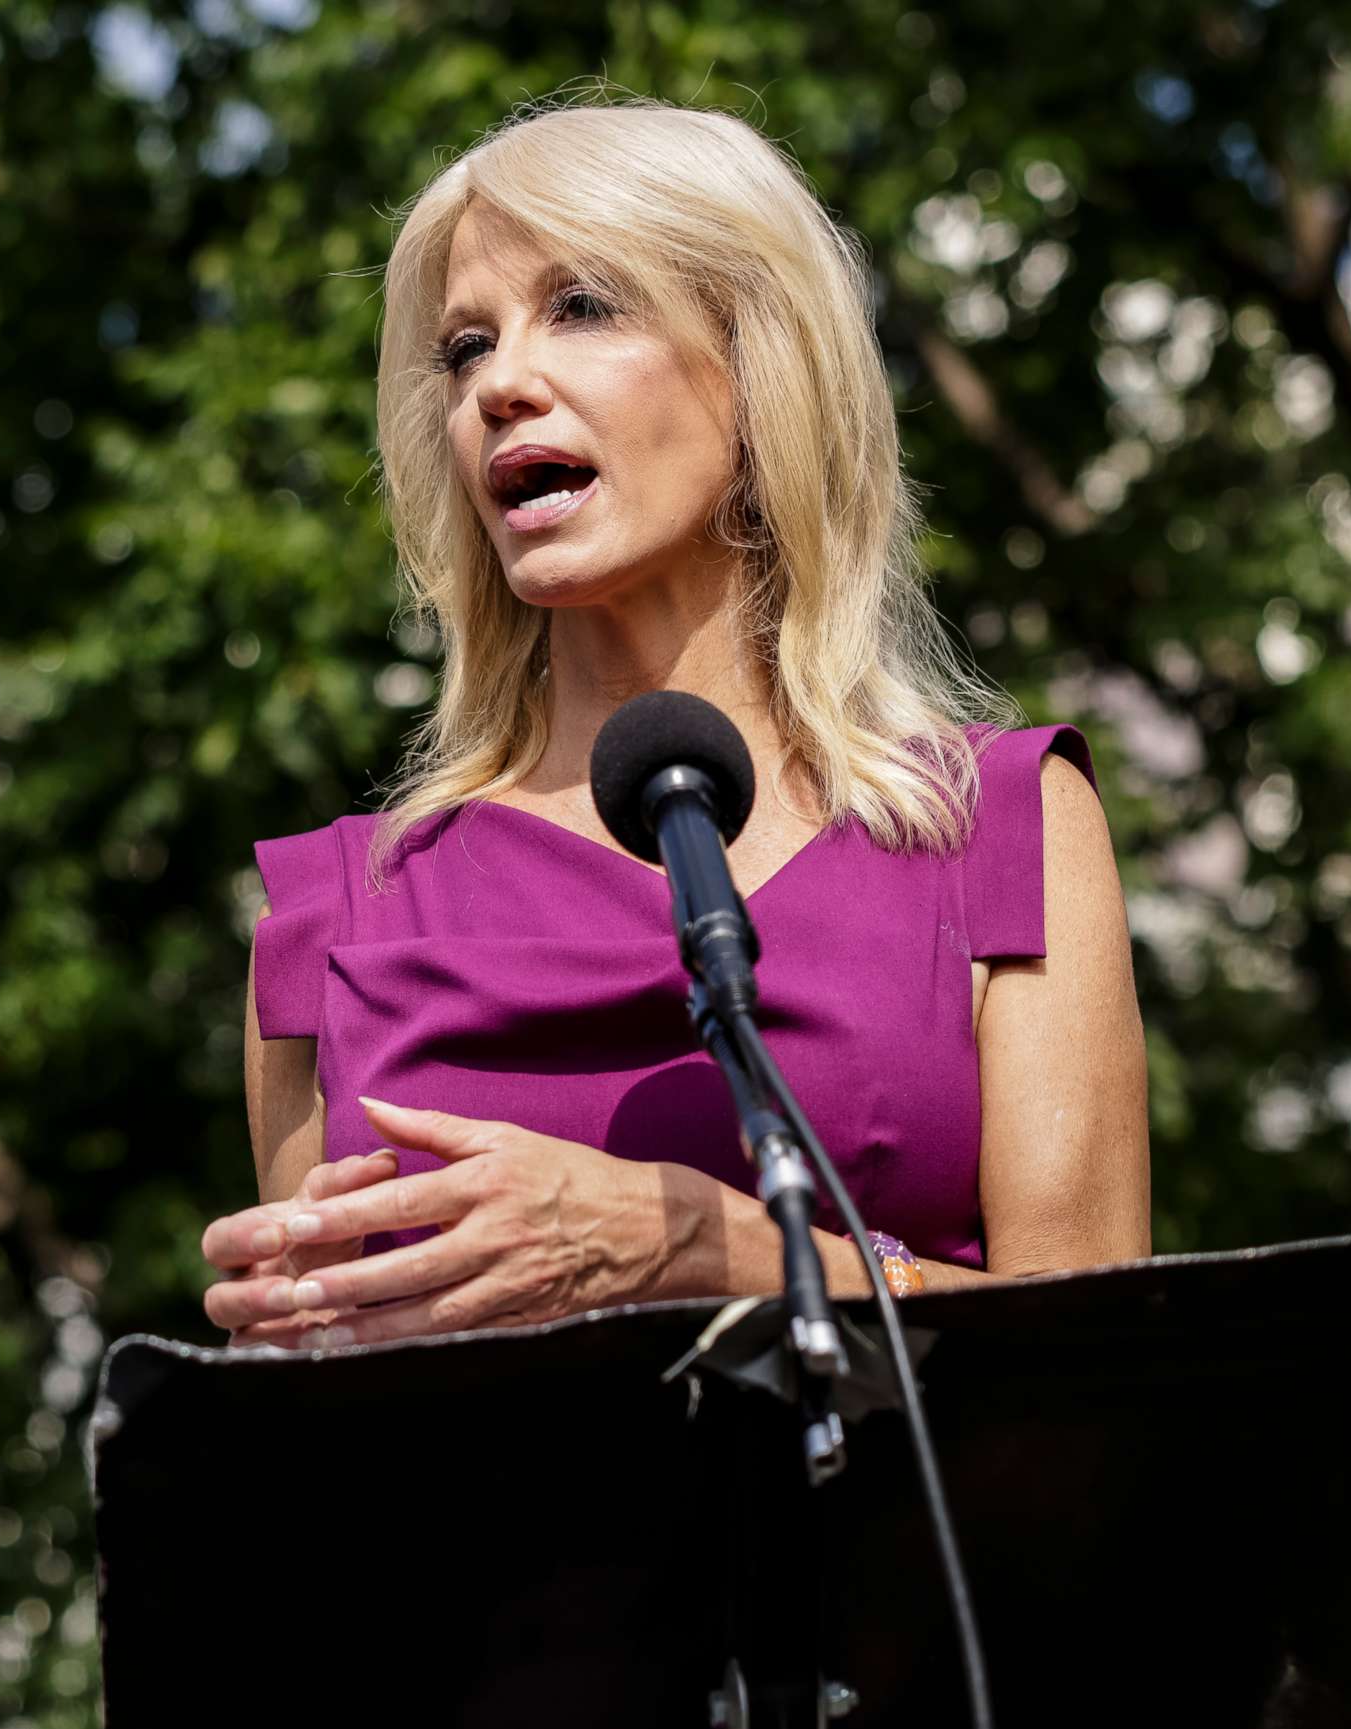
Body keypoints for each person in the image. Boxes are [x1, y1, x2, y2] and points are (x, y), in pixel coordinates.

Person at [200, 97, 1150, 1352]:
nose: (502, 384)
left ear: (763, 363)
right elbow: (324, 1417)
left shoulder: (998, 832)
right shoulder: (340, 912)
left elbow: (1105, 1379)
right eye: (465, 347)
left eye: (584, 307)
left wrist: (714, 1247)